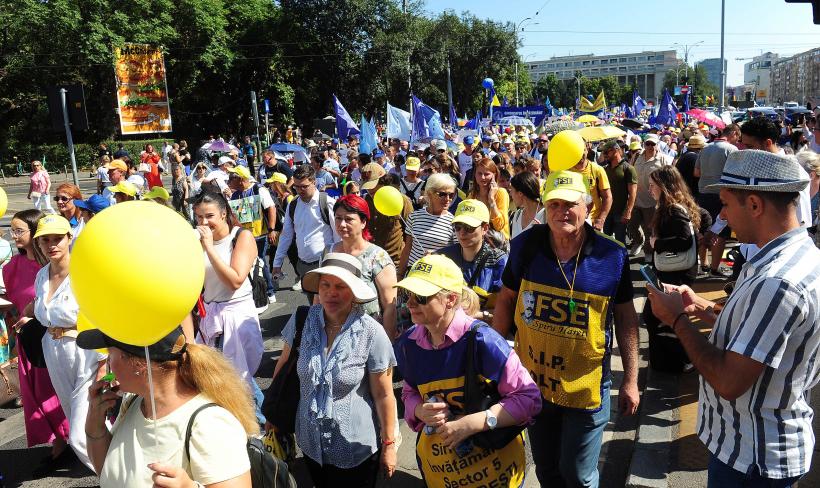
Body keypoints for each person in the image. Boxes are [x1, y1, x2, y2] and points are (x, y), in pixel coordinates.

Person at [647, 149, 820, 488]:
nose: (722, 215)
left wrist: (678, 318)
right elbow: (758, 333)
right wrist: (699, 304)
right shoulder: (792, 258)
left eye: (726, 204)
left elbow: (729, 381)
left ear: (754, 205)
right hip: (751, 450)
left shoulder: (778, 283)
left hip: (752, 458)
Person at [492, 170, 640, 487]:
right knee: (547, 470)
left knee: (578, 474)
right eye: (555, 204)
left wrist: (631, 379)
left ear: (588, 207)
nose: (563, 212)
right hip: (534, 385)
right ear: (546, 208)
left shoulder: (612, 255)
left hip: (585, 388)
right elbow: (505, 300)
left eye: (571, 204)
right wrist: (495, 359)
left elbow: (627, 318)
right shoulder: (525, 246)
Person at [393, 254, 541, 488]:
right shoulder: (408, 344)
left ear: (451, 299)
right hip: (442, 472)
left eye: (420, 297)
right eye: (407, 295)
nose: (410, 303)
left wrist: (476, 422)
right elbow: (409, 391)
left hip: (496, 471)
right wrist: (419, 410)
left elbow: (529, 398)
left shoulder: (483, 340)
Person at [274, 254, 398, 487]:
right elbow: (282, 366)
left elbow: (384, 395)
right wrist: (274, 414)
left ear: (354, 291)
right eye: (326, 285)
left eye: (341, 286)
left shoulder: (372, 332)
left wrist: (389, 445)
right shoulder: (302, 320)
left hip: (356, 451)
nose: (332, 292)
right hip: (310, 444)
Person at [81, 326, 255, 487]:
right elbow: (108, 473)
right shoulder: (132, 403)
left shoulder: (210, 424)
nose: (109, 367)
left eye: (110, 356)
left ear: (138, 364)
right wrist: (95, 424)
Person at [25, 215, 106, 470]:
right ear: (38, 243)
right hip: (54, 351)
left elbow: (102, 316)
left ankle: (113, 477)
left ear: (69, 238)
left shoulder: (85, 271)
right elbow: (42, 311)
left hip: (86, 352)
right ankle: (119, 471)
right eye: (45, 240)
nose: (52, 245)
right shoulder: (41, 275)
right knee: (85, 421)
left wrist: (106, 362)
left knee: (81, 435)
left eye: (57, 238)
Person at [192, 190, 266, 425]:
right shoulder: (198, 241)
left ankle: (262, 426)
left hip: (235, 316)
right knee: (217, 379)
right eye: (199, 217)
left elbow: (235, 279)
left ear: (224, 214)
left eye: (209, 216)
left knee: (239, 379)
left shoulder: (241, 237)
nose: (204, 223)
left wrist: (209, 248)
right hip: (210, 317)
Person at [4, 210, 69, 461]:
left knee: (58, 390)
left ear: (34, 232)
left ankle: (70, 440)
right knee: (37, 395)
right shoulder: (11, 266)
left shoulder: (49, 267)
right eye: (12, 230)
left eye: (20, 230)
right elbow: (15, 303)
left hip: (53, 336)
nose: (14, 235)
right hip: (28, 338)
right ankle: (60, 442)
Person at [643, 165, 701, 373]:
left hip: (676, 272)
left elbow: (684, 240)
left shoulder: (673, 208)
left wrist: (657, 243)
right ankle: (671, 362)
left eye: (652, 186)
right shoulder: (675, 205)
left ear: (664, 186)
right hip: (675, 270)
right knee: (660, 317)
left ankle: (680, 361)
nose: (649, 189)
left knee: (659, 316)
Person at [323, 195, 398, 338]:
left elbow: (390, 306)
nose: (342, 224)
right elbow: (318, 297)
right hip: (333, 334)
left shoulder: (377, 257)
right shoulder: (328, 252)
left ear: (363, 222)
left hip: (368, 336)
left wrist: (388, 345)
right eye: (338, 218)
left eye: (349, 219)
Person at [271, 164, 338, 302]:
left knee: (328, 305)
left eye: (304, 186)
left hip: (325, 264)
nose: (299, 190)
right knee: (312, 306)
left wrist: (337, 263)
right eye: (296, 186)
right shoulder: (293, 204)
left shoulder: (327, 203)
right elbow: (286, 235)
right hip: (303, 266)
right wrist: (277, 263)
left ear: (314, 182)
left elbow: (338, 235)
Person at [438, 200, 507, 320]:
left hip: (484, 331)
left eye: (469, 228)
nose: (462, 233)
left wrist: (475, 316)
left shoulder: (499, 261)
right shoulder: (443, 257)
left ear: (484, 228)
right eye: (457, 227)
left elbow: (507, 308)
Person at [694, 124, 740, 276]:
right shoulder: (731, 150)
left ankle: (704, 264)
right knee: (720, 232)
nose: (737, 140)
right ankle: (714, 268)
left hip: (704, 193)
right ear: (733, 133)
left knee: (703, 228)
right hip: (722, 195)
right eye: (737, 137)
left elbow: (697, 172)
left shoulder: (704, 148)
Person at [227, 165, 277, 302]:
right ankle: (256, 291)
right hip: (243, 236)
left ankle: (269, 291)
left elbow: (271, 208)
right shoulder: (235, 194)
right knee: (248, 264)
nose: (229, 180)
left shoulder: (259, 190)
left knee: (260, 262)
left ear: (241, 179)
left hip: (259, 235)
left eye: (232, 177)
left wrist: (271, 229)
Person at [398, 173, 457, 277]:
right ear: (430, 193)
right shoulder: (414, 216)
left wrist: (436, 255)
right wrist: (400, 274)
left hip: (439, 277)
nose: (448, 199)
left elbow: (457, 252)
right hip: (413, 275)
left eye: (451, 195)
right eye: (442, 194)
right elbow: (407, 249)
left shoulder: (454, 222)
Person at [629, 134, 670, 259]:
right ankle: (638, 241)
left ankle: (648, 251)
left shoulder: (663, 159)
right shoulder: (636, 156)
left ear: (657, 145)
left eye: (653, 144)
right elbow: (630, 172)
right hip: (635, 198)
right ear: (644, 144)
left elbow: (668, 179)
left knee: (649, 228)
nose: (650, 146)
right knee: (632, 225)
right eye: (648, 144)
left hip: (652, 201)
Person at [365, 173, 413, 268]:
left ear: (383, 183)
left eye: (373, 186)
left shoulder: (402, 200)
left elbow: (411, 232)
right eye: (367, 186)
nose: (370, 190)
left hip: (394, 262)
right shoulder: (366, 199)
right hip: (371, 260)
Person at [601, 141, 637, 245]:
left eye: (606, 152)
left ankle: (622, 261)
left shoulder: (628, 169)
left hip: (621, 212)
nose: (604, 155)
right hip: (607, 211)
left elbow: (633, 192)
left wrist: (628, 211)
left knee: (620, 242)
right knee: (606, 240)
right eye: (603, 153)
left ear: (616, 150)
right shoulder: (605, 169)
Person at [467, 157, 511, 238]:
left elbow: (499, 226)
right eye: (479, 173)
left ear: (494, 175)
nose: (482, 177)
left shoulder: (501, 193)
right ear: (475, 175)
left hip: (498, 244)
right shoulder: (472, 195)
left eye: (486, 174)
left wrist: (491, 199)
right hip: (478, 241)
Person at [570, 148, 612, 232]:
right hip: (573, 221)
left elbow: (607, 197)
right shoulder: (566, 170)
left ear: (587, 150)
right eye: (577, 149)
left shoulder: (597, 170)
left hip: (593, 223)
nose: (581, 153)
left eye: (583, 149)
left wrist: (601, 220)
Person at [509, 171, 544, 239]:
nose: (510, 194)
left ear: (520, 194)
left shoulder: (546, 214)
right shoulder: (517, 215)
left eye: (512, 190)